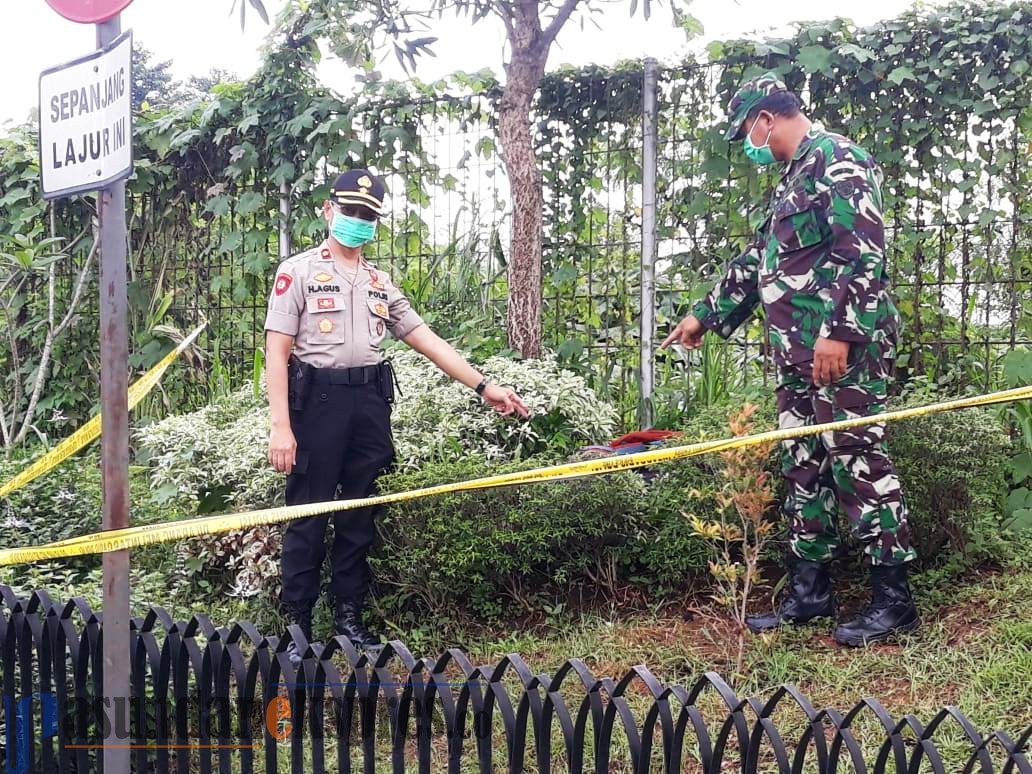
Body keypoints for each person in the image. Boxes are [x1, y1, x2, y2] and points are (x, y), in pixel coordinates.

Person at [661, 72, 919, 647]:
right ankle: (810, 594)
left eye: (748, 132)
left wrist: (842, 333)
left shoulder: (839, 160)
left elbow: (865, 251)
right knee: (803, 460)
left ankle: (893, 601)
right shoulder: (793, 177)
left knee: (857, 456)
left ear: (765, 118)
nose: (752, 144)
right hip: (795, 353)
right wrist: (704, 314)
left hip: (838, 349)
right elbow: (760, 259)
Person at [264, 169, 529, 662]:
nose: (357, 222)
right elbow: (276, 352)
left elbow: (426, 339)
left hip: (369, 405)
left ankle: (349, 619)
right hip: (315, 405)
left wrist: (484, 385)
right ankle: (296, 627)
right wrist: (281, 425)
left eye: (367, 216)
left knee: (360, 512)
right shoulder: (297, 272)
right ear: (328, 210)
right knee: (307, 514)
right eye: (350, 212)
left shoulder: (379, 283)